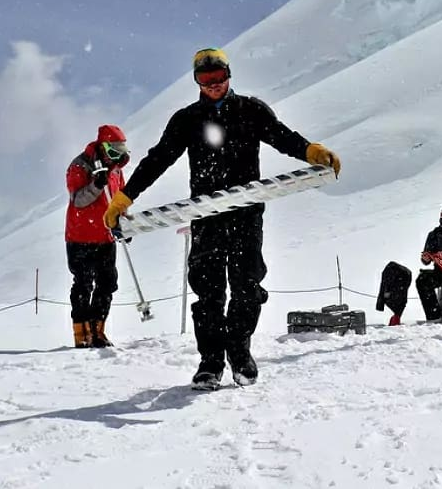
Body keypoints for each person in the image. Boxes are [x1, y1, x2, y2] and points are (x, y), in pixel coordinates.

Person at [103, 48, 341, 389]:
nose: (214, 85)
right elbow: (158, 159)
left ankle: (240, 354)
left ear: (229, 75)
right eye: (206, 80)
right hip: (206, 217)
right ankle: (210, 362)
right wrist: (126, 197)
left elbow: (282, 137)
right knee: (209, 292)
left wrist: (311, 151)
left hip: (246, 215)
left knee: (247, 286)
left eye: (219, 78)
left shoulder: (251, 110)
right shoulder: (186, 119)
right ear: (196, 81)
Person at [65, 124, 130, 348]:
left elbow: (119, 198)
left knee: (107, 282)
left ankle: (98, 330)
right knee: (83, 283)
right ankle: (81, 333)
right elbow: (78, 200)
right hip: (80, 236)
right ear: (103, 146)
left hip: (106, 235)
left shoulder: (117, 170)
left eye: (121, 147)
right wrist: (96, 184)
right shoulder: (80, 165)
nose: (118, 152)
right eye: (114, 148)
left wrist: (124, 223)